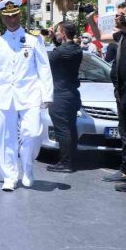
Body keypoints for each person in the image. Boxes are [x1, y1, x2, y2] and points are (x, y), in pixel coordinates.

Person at [0, 0, 53, 191]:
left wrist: (47, 95)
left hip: (30, 93)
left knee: (32, 132)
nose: (12, 19)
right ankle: (10, 176)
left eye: (14, 15)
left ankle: (27, 167)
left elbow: (44, 67)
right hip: (5, 95)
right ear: (2, 18)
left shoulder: (33, 39)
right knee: (6, 137)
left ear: (20, 15)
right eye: (8, 16)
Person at [45, 21, 83, 174]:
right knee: (71, 128)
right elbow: (62, 52)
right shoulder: (77, 49)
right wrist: (54, 39)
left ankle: (66, 163)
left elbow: (46, 63)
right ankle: (71, 160)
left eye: (58, 31)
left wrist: (46, 41)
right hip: (72, 94)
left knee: (62, 130)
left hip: (60, 95)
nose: (56, 33)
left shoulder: (59, 52)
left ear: (64, 33)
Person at [107, 0, 126, 189]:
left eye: (121, 14)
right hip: (123, 95)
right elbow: (100, 36)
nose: (117, 17)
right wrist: (90, 19)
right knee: (125, 133)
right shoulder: (122, 36)